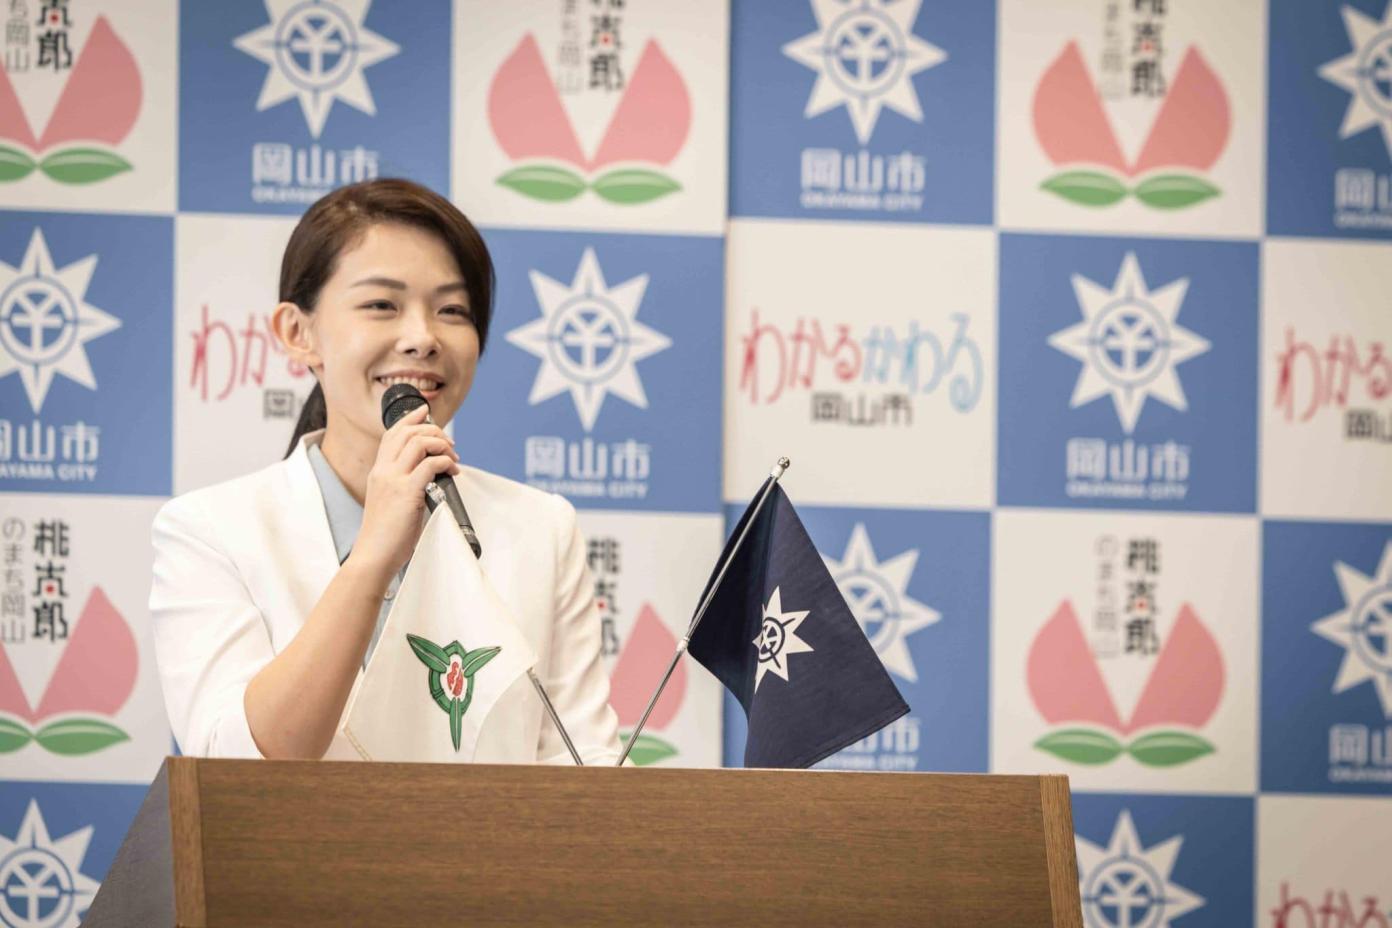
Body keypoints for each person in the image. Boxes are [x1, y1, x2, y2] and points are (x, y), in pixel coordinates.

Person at [149, 178, 621, 764]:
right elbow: (235, 767)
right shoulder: (210, 530)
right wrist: (372, 557)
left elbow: (586, 766)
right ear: (298, 333)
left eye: (453, 310)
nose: (423, 338)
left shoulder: (541, 527)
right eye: (381, 305)